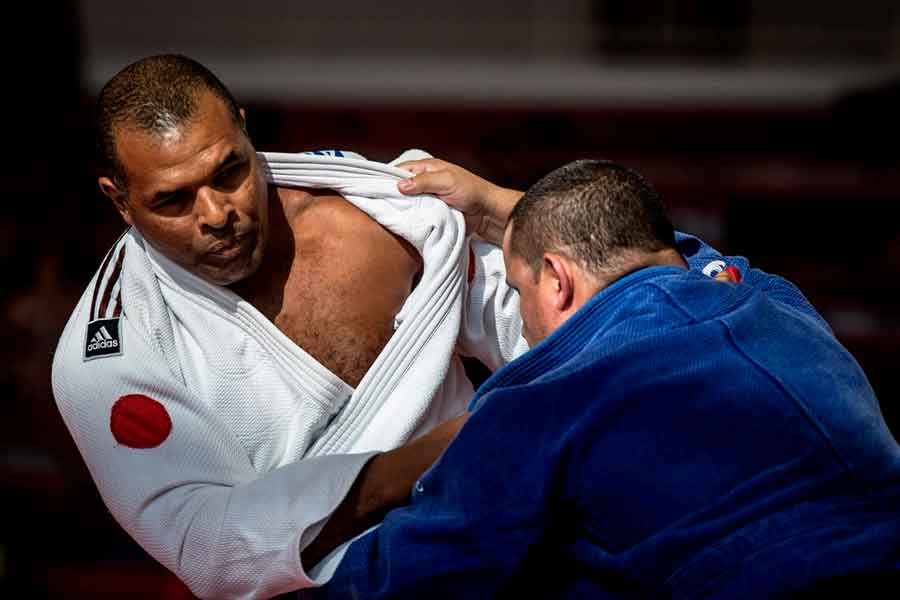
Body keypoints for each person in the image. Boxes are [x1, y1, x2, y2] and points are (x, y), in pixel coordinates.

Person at [307, 159, 900, 599]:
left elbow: (414, 575)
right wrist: (511, 209)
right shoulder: (774, 302)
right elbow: (678, 256)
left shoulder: (546, 401)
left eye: (519, 289)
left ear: (557, 282)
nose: (526, 320)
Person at [51, 54, 529, 598]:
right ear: (120, 199)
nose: (214, 213)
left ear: (244, 128)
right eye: (173, 200)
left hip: (501, 529)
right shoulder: (110, 356)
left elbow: (552, 331)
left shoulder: (373, 212)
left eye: (229, 172)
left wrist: (505, 210)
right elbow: (211, 547)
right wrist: (443, 453)